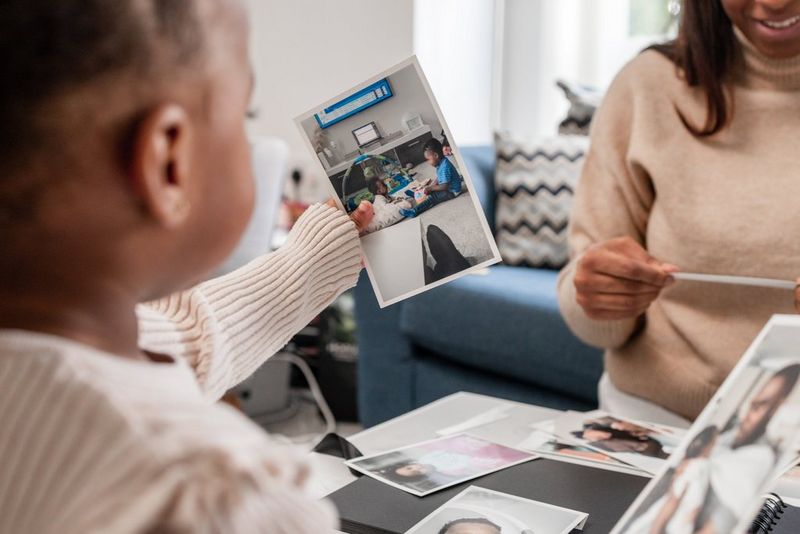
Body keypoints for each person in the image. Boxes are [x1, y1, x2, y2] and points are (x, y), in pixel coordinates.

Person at [0, 1, 374, 532]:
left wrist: (311, 257)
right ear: (167, 162)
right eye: (245, 115)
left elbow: (185, 338)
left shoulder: (62, 338)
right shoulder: (214, 496)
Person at [557, 0, 800, 426]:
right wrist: (595, 293)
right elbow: (592, 320)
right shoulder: (648, 84)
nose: (775, 2)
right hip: (657, 422)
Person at [400, 138, 462, 218]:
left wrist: (431, 188)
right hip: (447, 188)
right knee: (429, 189)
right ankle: (418, 194)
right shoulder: (441, 163)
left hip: (452, 191)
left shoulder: (445, 166)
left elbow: (444, 186)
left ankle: (414, 211)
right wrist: (430, 186)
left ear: (436, 155)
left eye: (428, 160)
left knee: (432, 197)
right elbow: (439, 178)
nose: (428, 162)